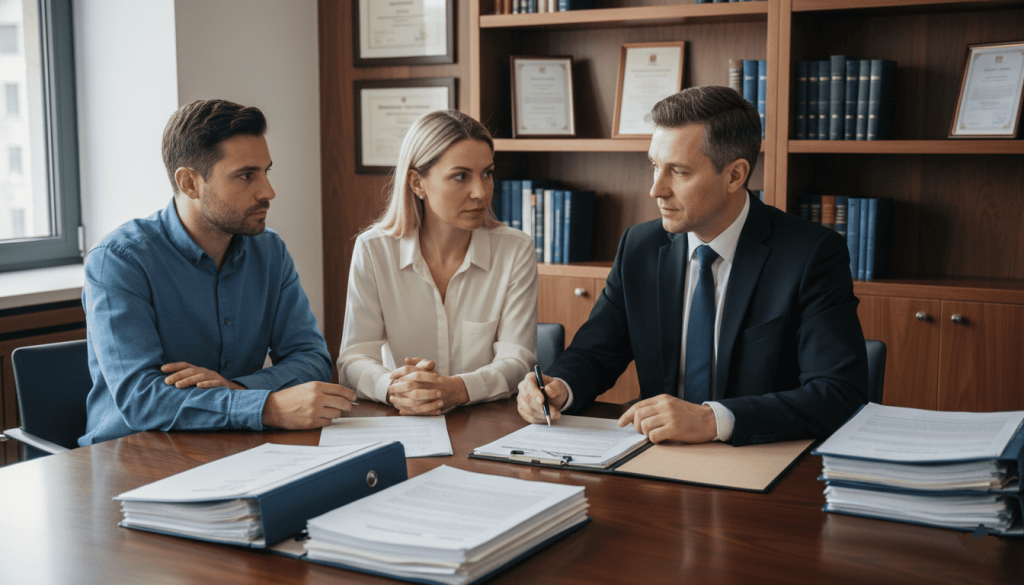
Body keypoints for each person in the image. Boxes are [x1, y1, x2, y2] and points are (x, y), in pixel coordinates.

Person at [517, 86, 867, 446]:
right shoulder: (640, 246)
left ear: (735, 175)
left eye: (679, 172)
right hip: (657, 452)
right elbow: (595, 352)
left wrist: (712, 420)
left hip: (759, 453)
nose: (656, 190)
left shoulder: (810, 254)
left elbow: (838, 391)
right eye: (655, 166)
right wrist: (559, 387)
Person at [80, 99, 355, 446]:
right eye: (246, 175)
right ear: (190, 183)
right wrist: (266, 407)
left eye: (266, 172)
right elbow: (142, 399)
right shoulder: (119, 261)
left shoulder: (269, 252)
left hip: (232, 444)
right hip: (133, 453)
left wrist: (237, 390)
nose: (268, 192)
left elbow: (312, 359)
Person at [337, 109, 537, 415]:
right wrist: (393, 388)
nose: (481, 192)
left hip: (488, 421)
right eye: (461, 176)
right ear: (417, 182)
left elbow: (518, 360)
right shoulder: (374, 249)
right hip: (403, 418)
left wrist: (457, 389)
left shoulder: (515, 249)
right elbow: (353, 359)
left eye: (487, 173)